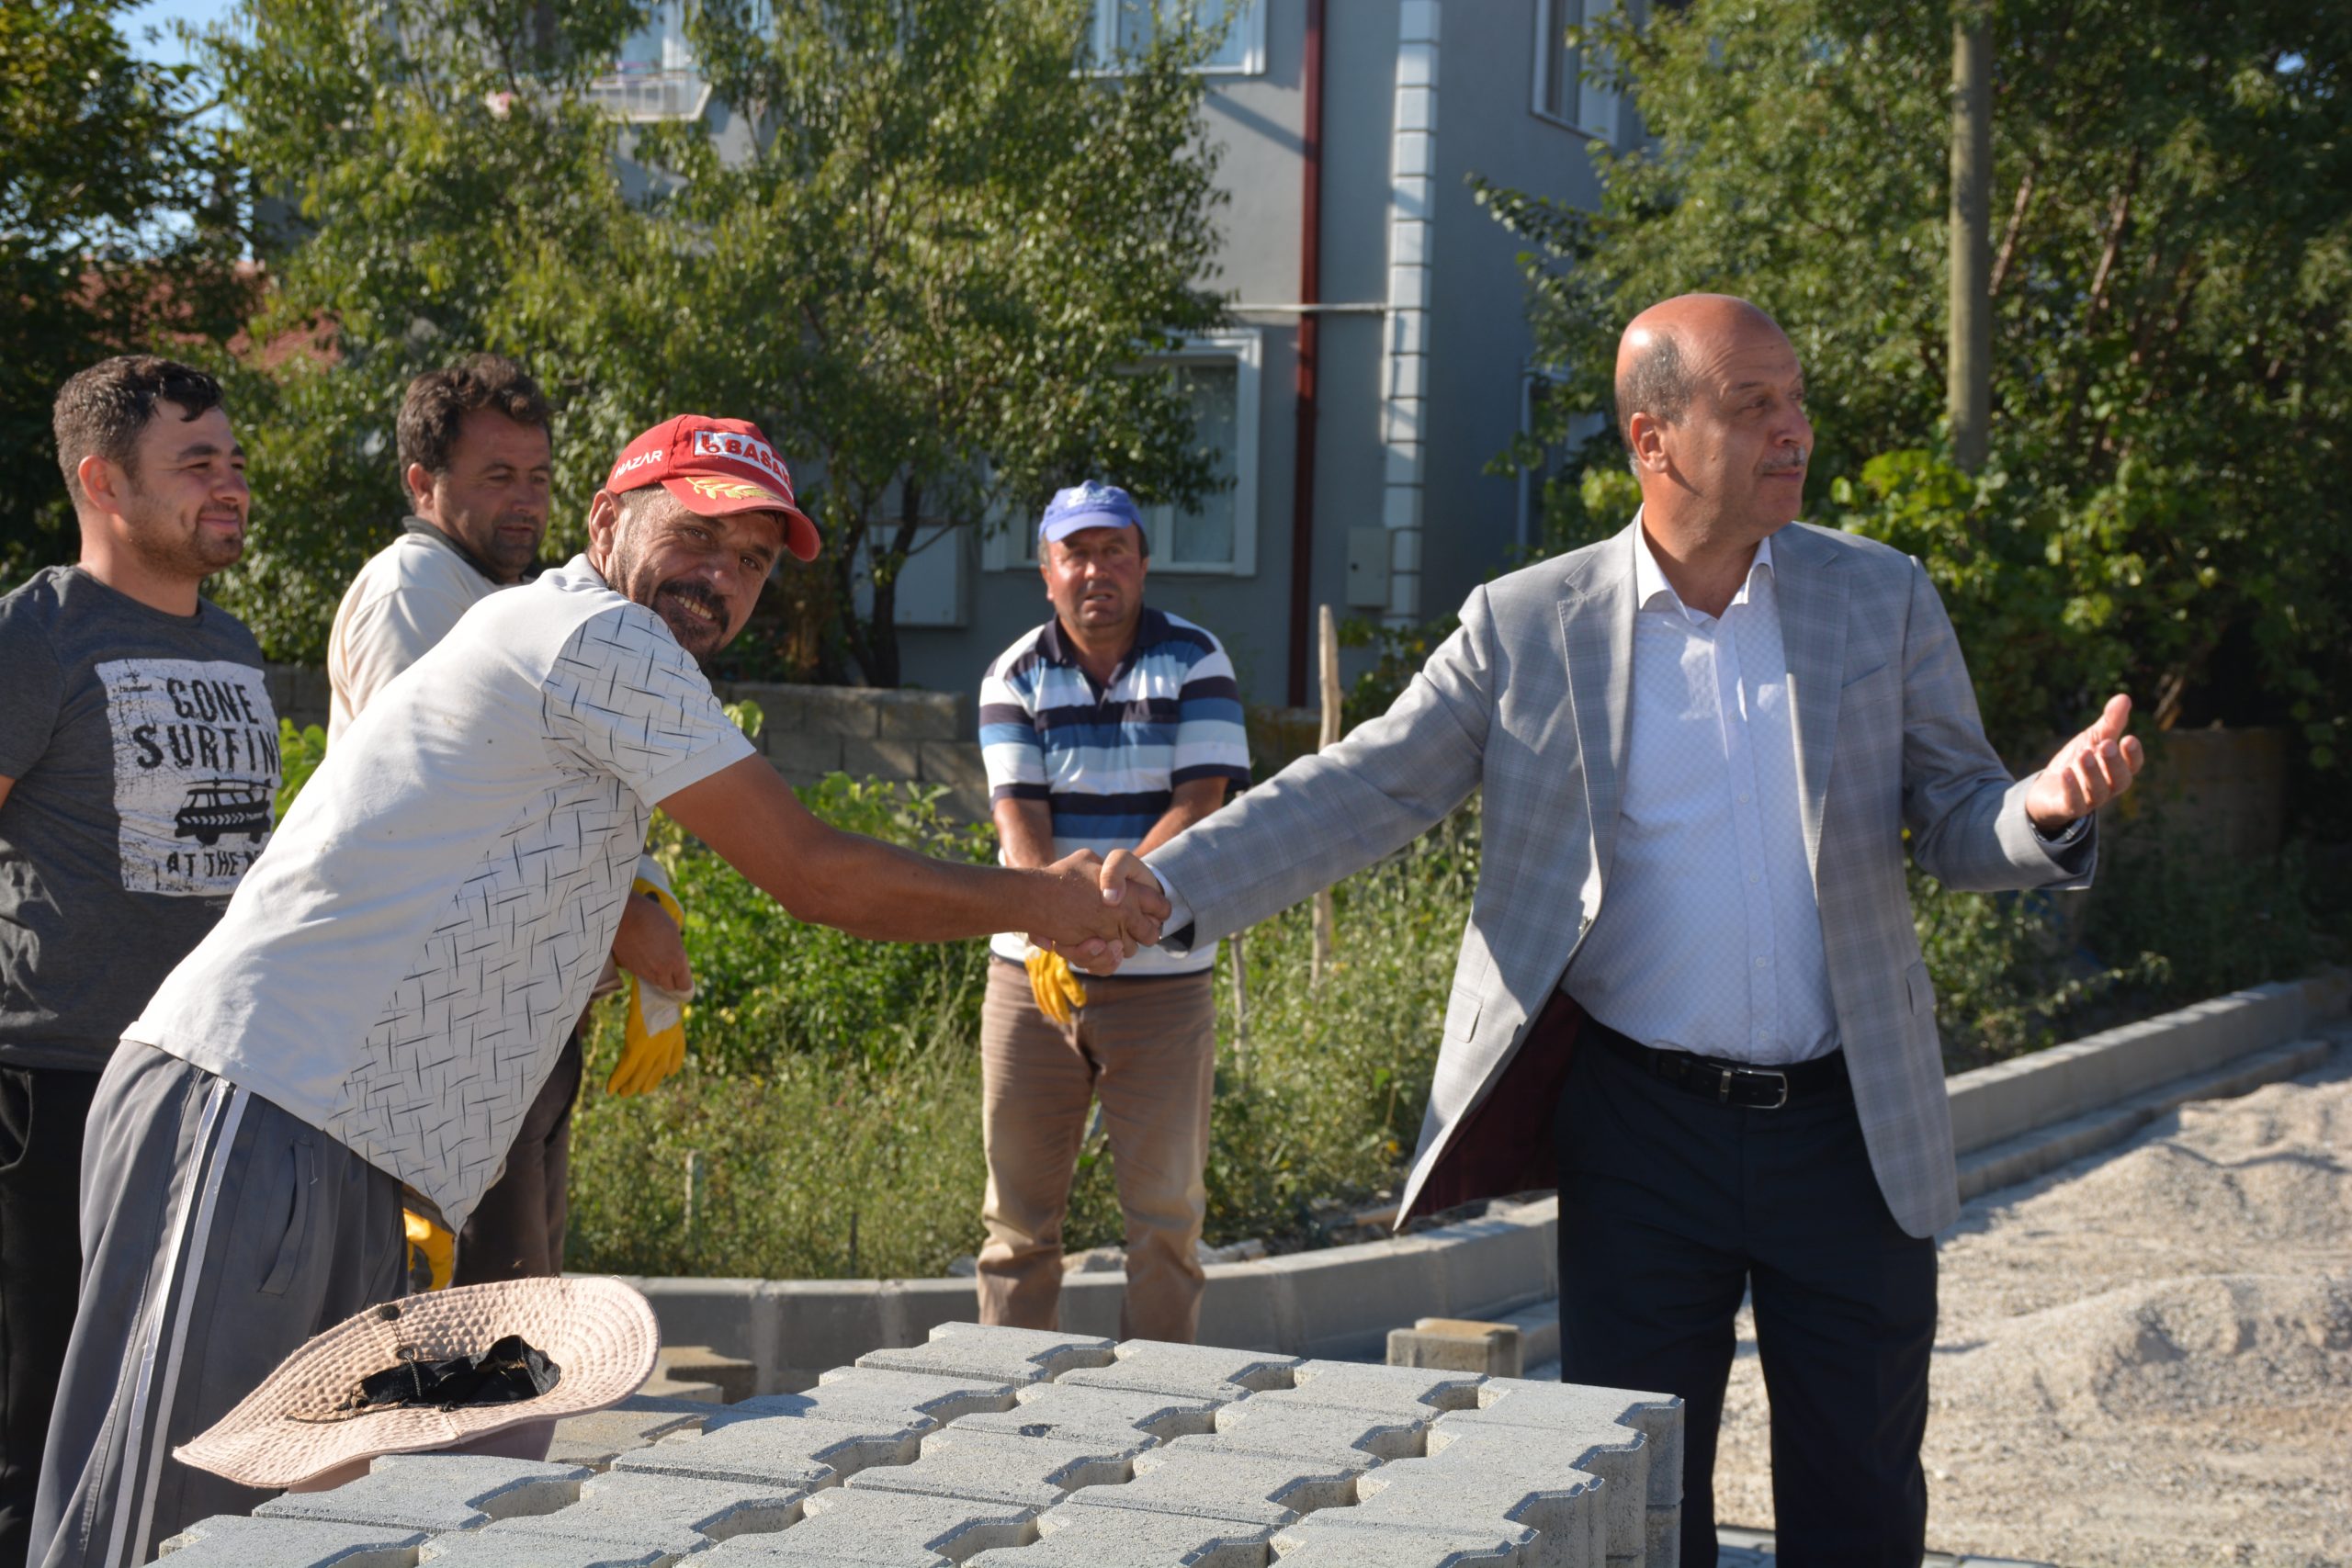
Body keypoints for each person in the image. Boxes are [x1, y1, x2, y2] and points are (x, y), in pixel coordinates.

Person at [1102, 295, 2146, 1565]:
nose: (1794, 430)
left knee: (1863, 1498)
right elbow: (1368, 785)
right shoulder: (1527, 623)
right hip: (1641, 1135)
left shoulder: (1879, 597)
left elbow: (1958, 816)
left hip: (1851, 1128)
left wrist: (2040, 807)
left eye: (1796, 399)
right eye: (1753, 405)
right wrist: (1164, 889)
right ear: (1653, 439)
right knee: (1637, 1501)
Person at [30, 414, 1166, 1568]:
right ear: (607, 521)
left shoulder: (594, 653)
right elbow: (814, 874)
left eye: (753, 562)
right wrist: (1047, 900)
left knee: (283, 1534)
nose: (721, 578)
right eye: (698, 535)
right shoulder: (596, 635)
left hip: (334, 1141)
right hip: (255, 1102)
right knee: (162, 1530)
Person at [324, 355, 689, 1288]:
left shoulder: (507, 598)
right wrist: (622, 916)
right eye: (497, 477)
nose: (526, 501)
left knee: (519, 1301)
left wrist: (636, 899)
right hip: (440, 1032)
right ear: (423, 483)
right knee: (481, 1327)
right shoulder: (416, 588)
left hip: (511, 1017)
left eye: (538, 476)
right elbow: (443, 810)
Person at [0, 357, 278, 1568]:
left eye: (233, 458)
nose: (231, 483)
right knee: (37, 1421)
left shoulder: (235, 641)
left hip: (207, 1085)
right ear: (104, 482)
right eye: (197, 461)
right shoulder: (40, 630)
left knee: (177, 1413)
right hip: (56, 1081)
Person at [974, 482, 1250, 1342]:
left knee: (1167, 1223)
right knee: (1016, 1225)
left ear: (1142, 562)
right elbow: (1019, 824)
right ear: (1046, 572)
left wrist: (1115, 905)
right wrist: (1065, 925)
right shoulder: (1014, 674)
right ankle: (1004, 1397)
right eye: (1077, 554)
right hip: (1033, 977)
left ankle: (1156, 1402)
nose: (1096, 570)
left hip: (1165, 980)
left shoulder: (1197, 660)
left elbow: (1201, 801)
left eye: (1114, 551)